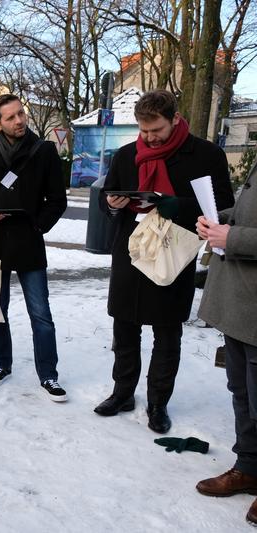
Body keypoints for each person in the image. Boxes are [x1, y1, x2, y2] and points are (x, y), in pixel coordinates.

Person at [95, 89, 234, 432]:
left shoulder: (206, 155)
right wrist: (113, 203)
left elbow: (223, 208)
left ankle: (158, 403)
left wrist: (174, 205)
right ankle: (122, 392)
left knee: (167, 333)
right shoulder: (127, 155)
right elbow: (106, 200)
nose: (149, 138)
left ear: (174, 119)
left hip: (175, 252)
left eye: (156, 130)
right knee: (125, 328)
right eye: (143, 131)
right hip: (132, 251)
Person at [0, 93, 68, 401]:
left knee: (41, 313)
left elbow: (57, 201)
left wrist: (37, 225)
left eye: (21, 114)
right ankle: (1, 365)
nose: (19, 120)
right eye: (11, 117)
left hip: (28, 242)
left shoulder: (44, 151)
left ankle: (48, 375)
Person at [195, 163, 257, 524]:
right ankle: (248, 467)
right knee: (242, 390)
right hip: (241, 301)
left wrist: (231, 238)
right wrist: (219, 219)